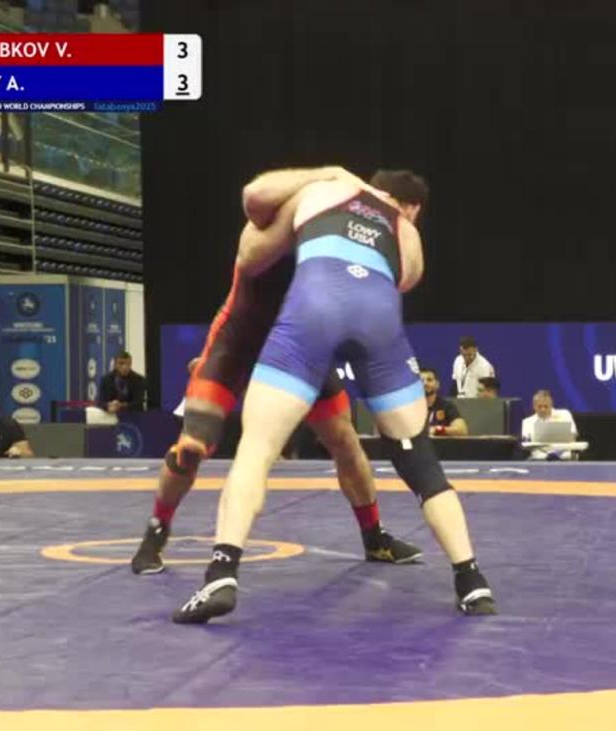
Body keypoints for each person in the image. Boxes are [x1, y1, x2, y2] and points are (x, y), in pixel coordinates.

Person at [173, 168, 496, 624]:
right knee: (421, 463)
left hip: (313, 309)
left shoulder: (325, 189)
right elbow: (407, 279)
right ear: (413, 207)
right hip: (378, 321)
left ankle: (221, 575)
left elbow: (253, 220)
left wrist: (319, 195)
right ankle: (472, 580)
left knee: (256, 450)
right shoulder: (406, 229)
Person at [130, 166, 423, 577]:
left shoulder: (349, 235)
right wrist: (331, 175)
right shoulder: (292, 215)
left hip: (297, 348)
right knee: (192, 448)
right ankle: (156, 532)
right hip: (241, 342)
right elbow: (253, 206)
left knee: (344, 439)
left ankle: (375, 537)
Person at [521, 390, 579, 460]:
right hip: (539, 460)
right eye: (539, 407)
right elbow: (526, 443)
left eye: (546, 406)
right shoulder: (527, 422)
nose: (543, 409)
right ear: (534, 406)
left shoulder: (565, 415)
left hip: (564, 458)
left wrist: (558, 451)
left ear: (551, 405)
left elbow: (573, 435)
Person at [422, 367, 468, 436]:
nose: (425, 383)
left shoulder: (446, 406)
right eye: (421, 381)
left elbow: (462, 430)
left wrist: (436, 430)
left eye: (429, 380)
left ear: (437, 384)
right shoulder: (409, 406)